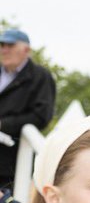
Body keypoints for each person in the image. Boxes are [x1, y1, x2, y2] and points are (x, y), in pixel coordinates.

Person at [0, 29, 57, 191]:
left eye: (10, 45)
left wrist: (3, 124)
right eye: (2, 44)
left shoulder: (40, 76)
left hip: (11, 162)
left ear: (26, 50)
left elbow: (41, 116)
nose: (4, 49)